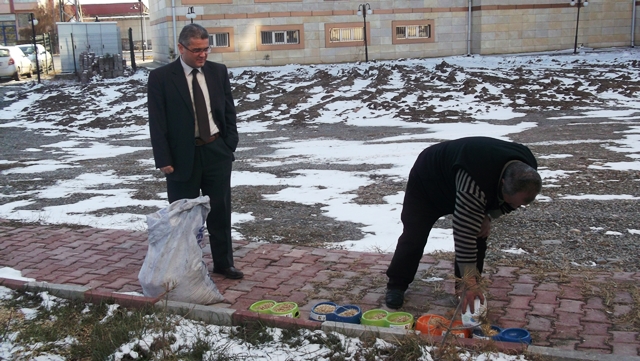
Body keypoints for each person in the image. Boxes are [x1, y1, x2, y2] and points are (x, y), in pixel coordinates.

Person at [385, 136, 541, 312]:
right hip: (429, 182)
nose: (514, 208)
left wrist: (488, 215)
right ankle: (396, 285)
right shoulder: (474, 183)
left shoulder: (527, 171)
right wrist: (469, 280)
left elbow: (512, 202)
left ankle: (464, 292)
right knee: (414, 235)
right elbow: (463, 234)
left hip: (466, 178)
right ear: (503, 183)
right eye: (512, 203)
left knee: (479, 234)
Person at [147, 23, 243, 279]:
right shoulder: (161, 78)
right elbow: (157, 122)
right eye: (196, 50)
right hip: (180, 158)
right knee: (184, 217)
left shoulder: (218, 72)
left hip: (216, 152)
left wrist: (229, 144)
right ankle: (186, 267)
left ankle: (223, 263)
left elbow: (228, 112)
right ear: (181, 48)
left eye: (206, 49)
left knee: (220, 212)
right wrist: (163, 158)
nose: (202, 54)